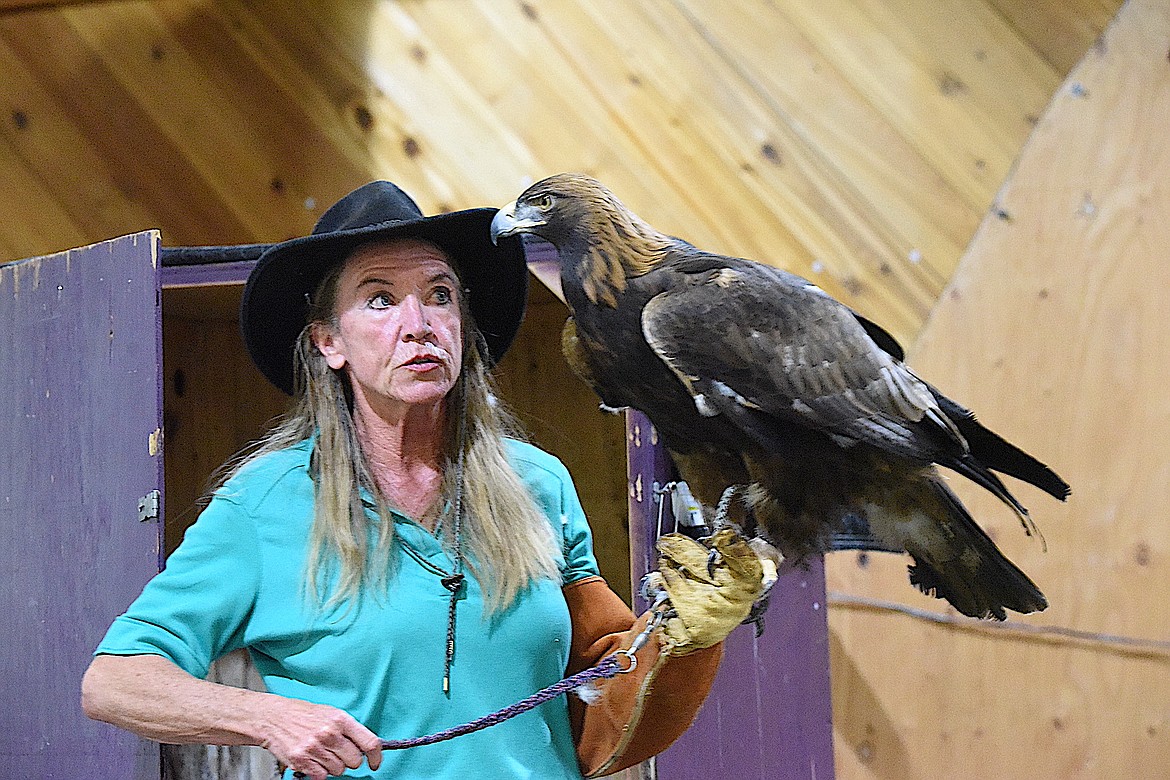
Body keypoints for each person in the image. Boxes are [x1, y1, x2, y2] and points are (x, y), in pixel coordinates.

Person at [81, 181, 761, 779]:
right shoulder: (266, 502)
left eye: (439, 295)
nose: (419, 325)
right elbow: (114, 681)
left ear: (462, 326)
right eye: (379, 300)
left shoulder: (540, 485)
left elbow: (606, 692)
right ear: (329, 343)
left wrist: (686, 638)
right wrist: (268, 718)